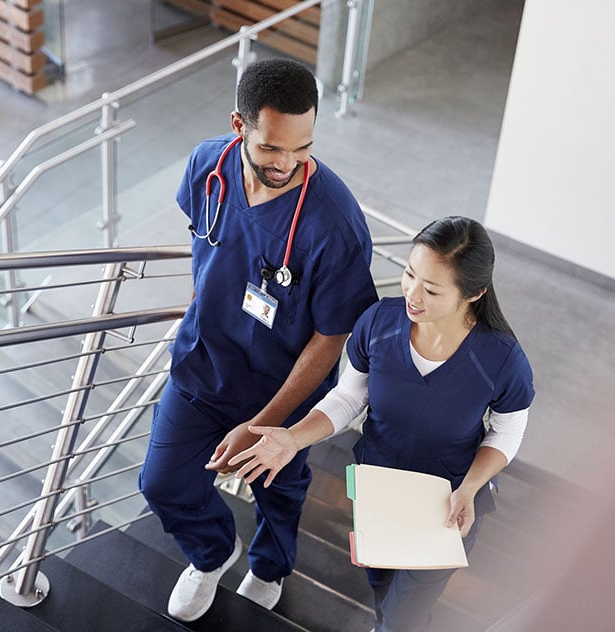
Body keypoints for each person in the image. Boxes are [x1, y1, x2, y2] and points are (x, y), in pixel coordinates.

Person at [137, 58, 378, 623]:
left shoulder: (334, 223)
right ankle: (214, 553)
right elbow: (205, 241)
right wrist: (205, 302)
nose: (288, 164)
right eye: (272, 148)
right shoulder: (208, 166)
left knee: (280, 491)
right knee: (162, 483)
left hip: (283, 394)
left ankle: (270, 567)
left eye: (303, 148)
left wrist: (267, 422)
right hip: (202, 367)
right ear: (239, 124)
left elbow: (330, 336)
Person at [230, 216, 535, 632]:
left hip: (447, 503)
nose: (412, 293)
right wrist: (293, 439)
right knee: (379, 579)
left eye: (431, 289)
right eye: (410, 274)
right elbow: (349, 396)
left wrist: (470, 488)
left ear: (475, 293)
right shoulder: (377, 323)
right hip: (378, 485)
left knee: (407, 610)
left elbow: (507, 430)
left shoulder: (502, 359)